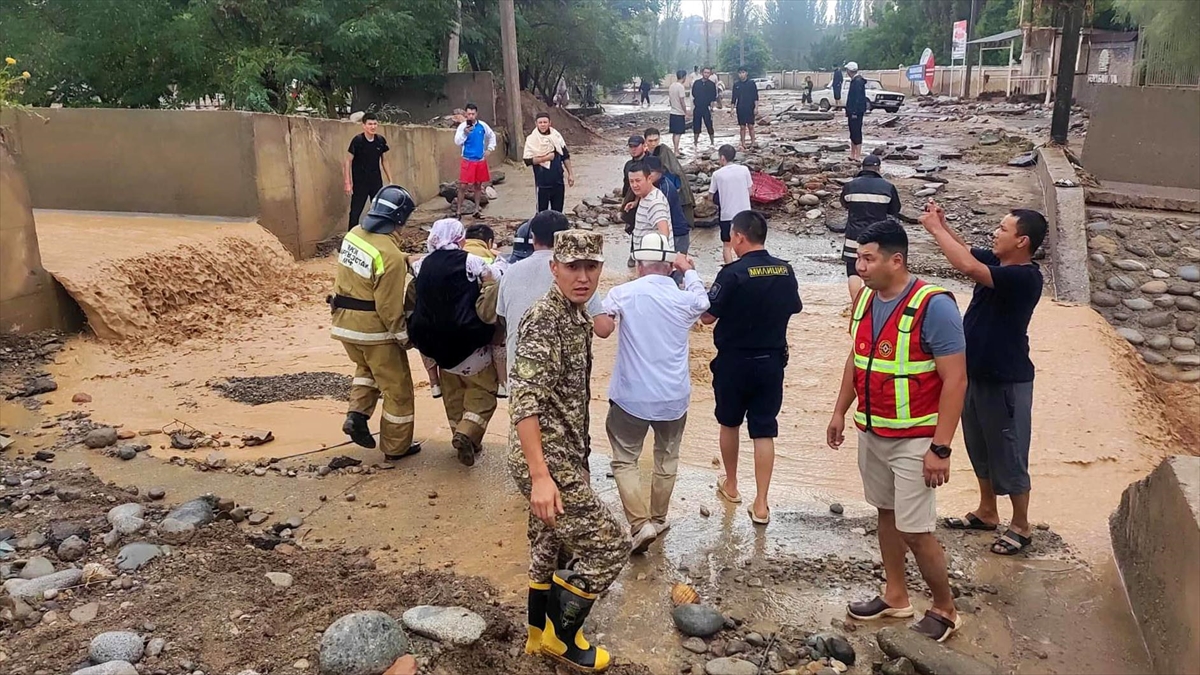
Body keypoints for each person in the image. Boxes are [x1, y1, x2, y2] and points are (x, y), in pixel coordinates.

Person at [825, 219, 966, 643]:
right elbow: (857, 358)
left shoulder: (934, 306)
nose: (860, 267)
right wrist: (839, 411)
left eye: (868, 259)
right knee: (885, 514)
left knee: (915, 529)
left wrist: (941, 448)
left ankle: (945, 609)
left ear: (896, 260)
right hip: (874, 432)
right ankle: (896, 595)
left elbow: (956, 380)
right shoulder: (866, 300)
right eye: (858, 258)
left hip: (916, 439)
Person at [509, 229, 629, 673]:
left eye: (591, 267)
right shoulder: (546, 318)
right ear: (554, 268)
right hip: (547, 458)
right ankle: (562, 639)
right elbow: (525, 402)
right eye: (573, 267)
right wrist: (541, 476)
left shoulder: (575, 315)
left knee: (550, 544)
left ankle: (537, 635)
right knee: (609, 546)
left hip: (564, 453)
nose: (583, 277)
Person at [921, 203, 1048, 556]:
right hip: (974, 374)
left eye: (1003, 229)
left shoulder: (1024, 278)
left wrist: (934, 230)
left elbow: (966, 266)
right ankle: (987, 511)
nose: (995, 233)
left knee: (1009, 450)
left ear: (1022, 241)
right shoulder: (999, 263)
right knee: (979, 446)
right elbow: (966, 253)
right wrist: (944, 225)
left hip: (1006, 379)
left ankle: (1021, 525)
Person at [593, 234, 709, 553]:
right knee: (666, 458)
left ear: (639, 266)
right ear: (669, 266)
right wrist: (689, 270)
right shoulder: (684, 299)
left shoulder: (623, 293)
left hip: (630, 397)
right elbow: (704, 303)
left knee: (625, 460)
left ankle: (639, 523)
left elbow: (603, 327)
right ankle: (658, 519)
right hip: (673, 397)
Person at [703, 211, 802, 525]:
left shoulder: (731, 273)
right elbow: (795, 307)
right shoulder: (785, 270)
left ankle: (732, 485)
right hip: (771, 362)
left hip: (733, 362)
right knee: (764, 430)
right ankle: (761, 504)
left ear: (739, 237)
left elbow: (707, 316)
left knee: (729, 423)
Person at [329, 185, 421, 460]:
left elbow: (370, 263)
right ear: (400, 219)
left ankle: (356, 416)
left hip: (344, 325)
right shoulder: (390, 257)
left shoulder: (354, 234)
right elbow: (389, 307)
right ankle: (396, 447)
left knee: (367, 370)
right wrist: (404, 337)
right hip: (374, 333)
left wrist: (404, 259)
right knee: (398, 390)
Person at [409, 219, 505, 467]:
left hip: (436, 347)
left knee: (453, 396)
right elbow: (495, 277)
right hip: (470, 343)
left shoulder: (421, 265)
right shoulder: (471, 261)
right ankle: (467, 433)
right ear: (459, 239)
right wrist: (500, 261)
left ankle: (459, 433)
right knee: (482, 394)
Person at [497, 211, 603, 387]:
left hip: (517, 377)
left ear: (532, 237)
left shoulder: (510, 272)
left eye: (592, 267)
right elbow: (603, 328)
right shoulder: (577, 281)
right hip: (556, 386)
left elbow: (502, 320)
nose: (583, 276)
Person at [840, 155, 901, 301]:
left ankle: (856, 304)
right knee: (876, 269)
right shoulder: (887, 187)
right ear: (878, 168)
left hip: (854, 236)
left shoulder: (850, 186)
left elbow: (844, 204)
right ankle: (875, 304)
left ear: (863, 167)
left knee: (853, 271)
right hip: (877, 237)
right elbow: (894, 210)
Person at [343, 113, 392, 230]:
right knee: (355, 212)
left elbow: (385, 160)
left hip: (375, 181)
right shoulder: (358, 141)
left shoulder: (380, 141)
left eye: (375, 124)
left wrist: (390, 180)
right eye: (370, 124)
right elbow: (347, 161)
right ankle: (351, 235)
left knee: (378, 210)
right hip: (360, 183)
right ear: (364, 126)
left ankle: (377, 233)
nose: (373, 127)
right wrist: (347, 183)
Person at [707, 144, 753, 264]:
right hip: (745, 214)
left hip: (727, 215)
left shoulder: (717, 174)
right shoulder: (744, 170)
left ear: (722, 158)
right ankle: (745, 266)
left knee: (727, 245)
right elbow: (750, 192)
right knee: (746, 243)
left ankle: (730, 268)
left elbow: (711, 196)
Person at [624, 161, 674, 268]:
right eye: (631, 181)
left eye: (638, 181)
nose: (634, 185)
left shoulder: (655, 202)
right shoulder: (645, 195)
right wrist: (635, 203)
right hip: (646, 261)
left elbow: (664, 232)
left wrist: (662, 262)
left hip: (653, 264)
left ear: (649, 179)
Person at [523, 112, 574, 213]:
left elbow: (565, 156)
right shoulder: (532, 140)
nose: (543, 124)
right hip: (542, 183)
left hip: (558, 181)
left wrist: (570, 174)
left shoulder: (556, 137)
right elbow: (527, 160)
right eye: (540, 122)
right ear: (536, 124)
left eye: (545, 122)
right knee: (542, 213)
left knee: (558, 212)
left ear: (550, 123)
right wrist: (545, 158)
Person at [645, 128, 695, 229]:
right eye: (650, 141)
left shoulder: (664, 152)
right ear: (645, 141)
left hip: (672, 191)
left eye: (656, 140)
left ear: (659, 139)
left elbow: (674, 172)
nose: (653, 143)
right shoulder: (648, 154)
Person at [454, 103, 497, 217]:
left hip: (480, 160)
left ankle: (476, 210)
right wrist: (465, 133)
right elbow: (457, 141)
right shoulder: (462, 127)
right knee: (463, 186)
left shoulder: (482, 125)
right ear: (466, 114)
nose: (471, 116)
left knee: (478, 185)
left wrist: (490, 149)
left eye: (473, 114)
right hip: (467, 160)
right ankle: (458, 211)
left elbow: (492, 136)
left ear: (476, 114)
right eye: (469, 114)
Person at [643, 156, 690, 254]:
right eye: (646, 172)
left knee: (676, 262)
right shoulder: (654, 185)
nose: (648, 175)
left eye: (651, 172)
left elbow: (661, 212)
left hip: (677, 234)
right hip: (668, 231)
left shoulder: (666, 188)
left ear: (660, 171)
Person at [730, 67, 759, 149]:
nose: (741, 74)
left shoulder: (751, 83)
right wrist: (732, 109)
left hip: (750, 107)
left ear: (746, 73)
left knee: (751, 126)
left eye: (743, 72)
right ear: (738, 74)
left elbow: (755, 96)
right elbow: (733, 98)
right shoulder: (736, 85)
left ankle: (753, 142)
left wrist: (756, 108)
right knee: (742, 127)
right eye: (740, 73)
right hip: (740, 108)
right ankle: (743, 143)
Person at [844, 62, 867, 161]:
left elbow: (857, 98)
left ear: (849, 71)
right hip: (853, 111)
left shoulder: (857, 82)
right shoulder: (855, 81)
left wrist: (854, 112)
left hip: (856, 112)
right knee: (853, 132)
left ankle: (857, 155)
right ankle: (852, 154)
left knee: (856, 132)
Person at [691, 67, 718, 148]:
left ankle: (712, 142)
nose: (706, 74)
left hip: (707, 108)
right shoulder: (697, 83)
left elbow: (713, 98)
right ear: (702, 73)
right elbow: (693, 94)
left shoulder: (711, 84)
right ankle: (695, 142)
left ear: (710, 74)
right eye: (705, 72)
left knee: (709, 124)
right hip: (697, 107)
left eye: (708, 73)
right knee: (696, 125)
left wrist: (711, 108)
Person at [667, 70, 689, 156]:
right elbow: (682, 101)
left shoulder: (671, 86)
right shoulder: (681, 87)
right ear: (684, 77)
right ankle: (676, 151)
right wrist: (685, 112)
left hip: (672, 112)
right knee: (678, 133)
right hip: (679, 113)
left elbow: (670, 100)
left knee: (674, 133)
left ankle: (676, 149)